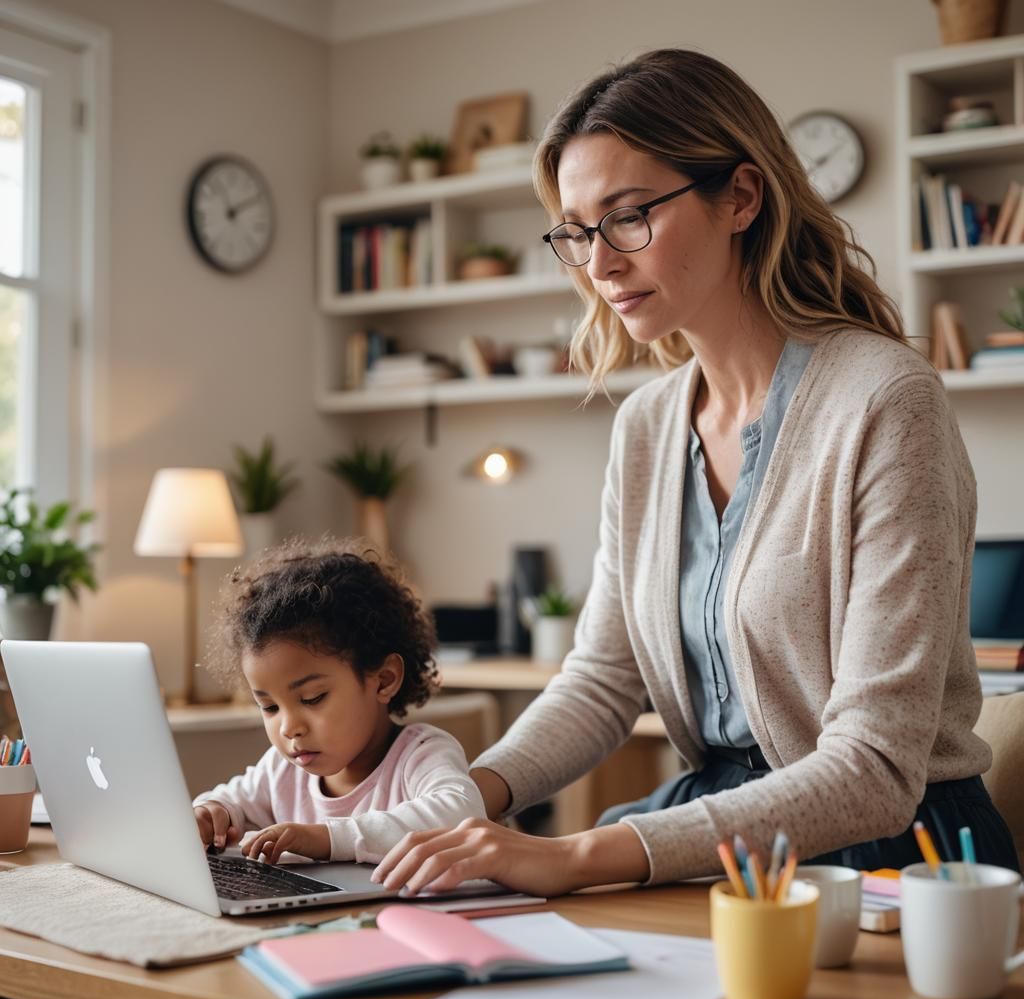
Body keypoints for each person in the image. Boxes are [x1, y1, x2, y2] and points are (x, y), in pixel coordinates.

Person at [371, 48, 1019, 898]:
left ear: (741, 197)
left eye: (629, 216)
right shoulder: (645, 427)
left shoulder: (886, 400)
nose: (599, 264)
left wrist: (571, 855)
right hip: (720, 828)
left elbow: (871, 769)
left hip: (893, 856)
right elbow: (603, 679)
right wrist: (457, 803)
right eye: (576, 231)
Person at [192, 538, 485, 865]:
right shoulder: (281, 772)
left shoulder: (420, 756)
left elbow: (463, 813)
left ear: (384, 680)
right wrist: (212, 811)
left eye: (312, 698)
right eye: (270, 707)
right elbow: (231, 801)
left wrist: (327, 837)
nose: (290, 728)